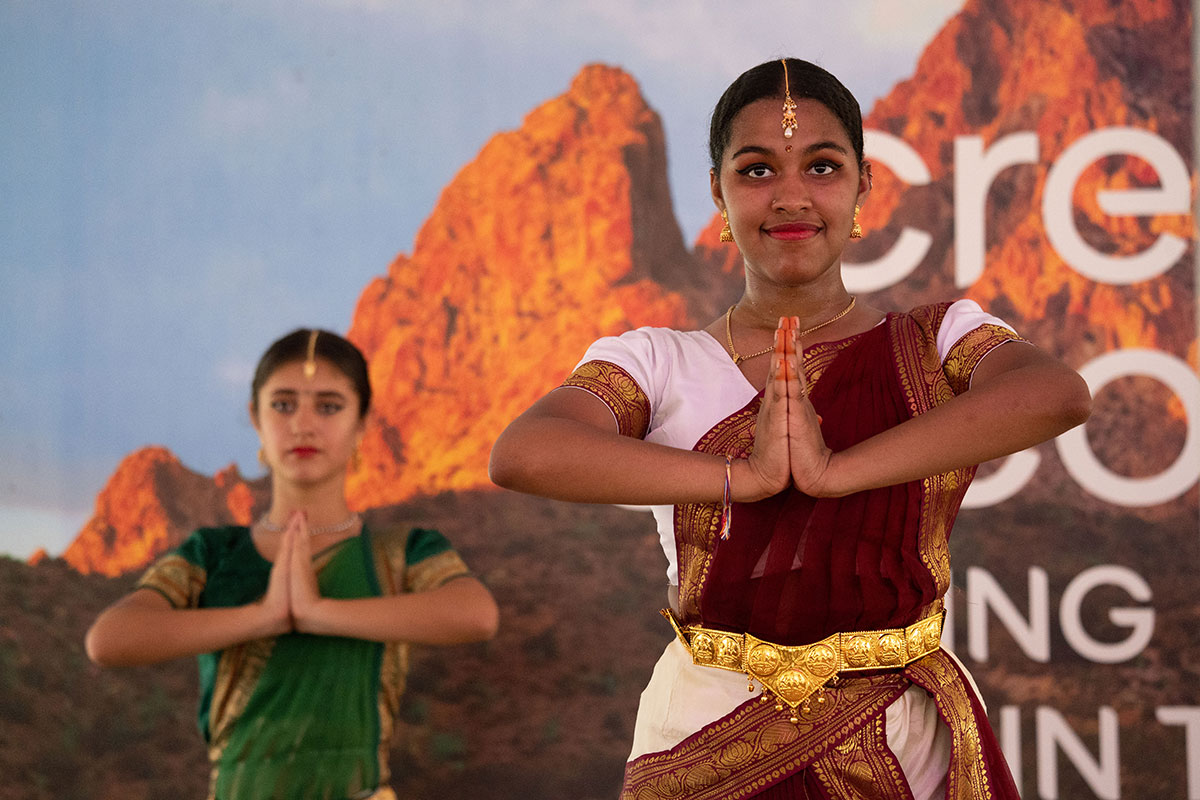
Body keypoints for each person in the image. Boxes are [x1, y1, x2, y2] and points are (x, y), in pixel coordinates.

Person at [489, 58, 1091, 799]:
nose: (792, 196)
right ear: (717, 192)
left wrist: (838, 469)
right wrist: (744, 478)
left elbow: (1057, 394)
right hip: (708, 736)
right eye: (756, 170)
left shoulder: (933, 341)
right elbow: (524, 454)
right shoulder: (657, 360)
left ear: (864, 185)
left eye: (823, 165)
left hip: (901, 745)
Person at [86, 328, 499, 800]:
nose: (303, 425)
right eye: (283, 405)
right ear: (255, 419)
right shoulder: (213, 554)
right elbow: (109, 640)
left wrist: (318, 612)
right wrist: (261, 616)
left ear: (362, 423)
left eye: (329, 406)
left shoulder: (400, 551)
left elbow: (476, 614)